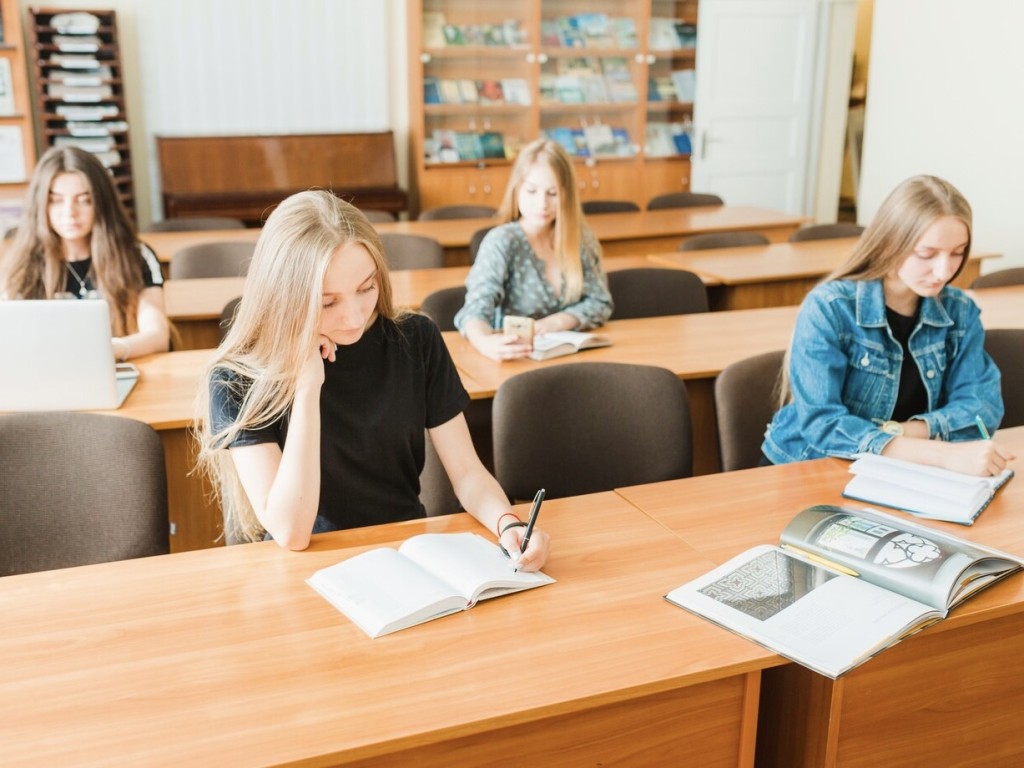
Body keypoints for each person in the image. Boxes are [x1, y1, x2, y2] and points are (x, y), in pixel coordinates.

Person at [194, 190, 550, 569]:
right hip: (308, 567)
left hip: (407, 555)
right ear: (284, 296)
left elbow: (467, 473)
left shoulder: (415, 339)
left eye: (366, 288)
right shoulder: (237, 379)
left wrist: (508, 523)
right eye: (328, 302)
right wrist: (306, 386)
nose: (354, 317)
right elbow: (291, 532)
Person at [762, 174, 1014, 477]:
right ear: (890, 243)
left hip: (902, 472)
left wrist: (902, 433)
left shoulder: (960, 311)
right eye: (927, 254)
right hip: (812, 466)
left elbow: (980, 408)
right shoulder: (829, 308)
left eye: (958, 252)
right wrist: (939, 453)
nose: (945, 270)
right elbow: (822, 424)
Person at [0, 146, 169, 360]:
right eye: (57, 200)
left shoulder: (136, 255)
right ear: (41, 204)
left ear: (101, 203)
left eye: (84, 200)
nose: (70, 212)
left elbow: (157, 335)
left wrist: (110, 351)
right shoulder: (21, 263)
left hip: (117, 368)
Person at [453, 138, 613, 361]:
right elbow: (474, 311)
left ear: (567, 195)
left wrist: (557, 321)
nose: (542, 203)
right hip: (515, 361)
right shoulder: (502, 241)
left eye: (553, 193)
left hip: (569, 359)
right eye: (531, 191)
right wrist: (484, 342)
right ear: (517, 189)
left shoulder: (580, 239)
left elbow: (600, 302)